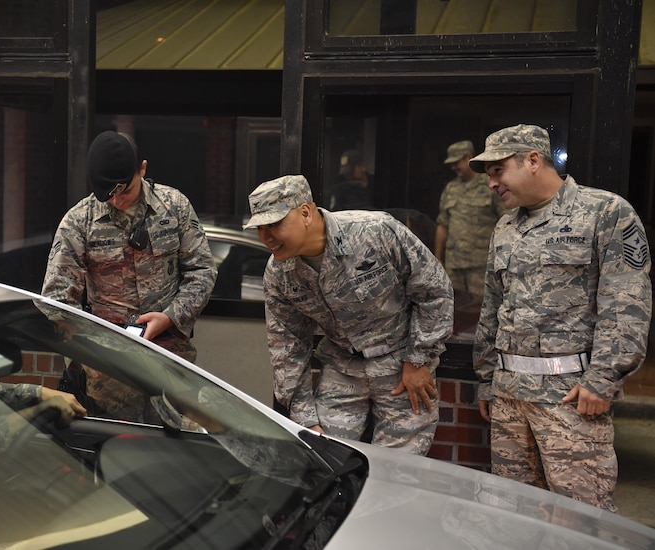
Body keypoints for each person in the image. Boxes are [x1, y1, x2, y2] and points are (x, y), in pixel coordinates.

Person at [471, 124, 652, 511]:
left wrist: (604, 379)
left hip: (569, 399)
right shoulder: (505, 226)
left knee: (582, 517)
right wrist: (486, 378)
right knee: (514, 512)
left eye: (498, 171)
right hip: (508, 398)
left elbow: (626, 303)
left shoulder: (605, 211)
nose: (492, 184)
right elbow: (493, 307)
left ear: (533, 160)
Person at [244, 175, 454, 454]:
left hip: (402, 367)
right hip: (343, 367)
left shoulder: (375, 231)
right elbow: (287, 346)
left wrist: (419, 359)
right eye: (260, 227)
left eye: (274, 224)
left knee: (400, 472)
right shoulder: (279, 273)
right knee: (322, 459)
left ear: (305, 212)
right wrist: (305, 416)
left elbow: (434, 292)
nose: (265, 236)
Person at [42, 130, 217, 417]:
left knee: (180, 454)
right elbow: (56, 298)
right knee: (114, 453)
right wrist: (90, 347)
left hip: (171, 363)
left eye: (125, 191)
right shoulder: (79, 221)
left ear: (142, 169)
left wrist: (170, 317)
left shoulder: (175, 207)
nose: (117, 201)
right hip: (108, 374)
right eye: (108, 196)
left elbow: (202, 271)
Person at [435, 140, 505, 303]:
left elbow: (506, 221)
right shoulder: (451, 188)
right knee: (453, 308)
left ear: (468, 157)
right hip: (454, 265)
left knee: (480, 310)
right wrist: (438, 259)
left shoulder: (490, 185)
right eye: (451, 164)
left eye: (456, 162)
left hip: (480, 266)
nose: (453, 167)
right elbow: (442, 225)